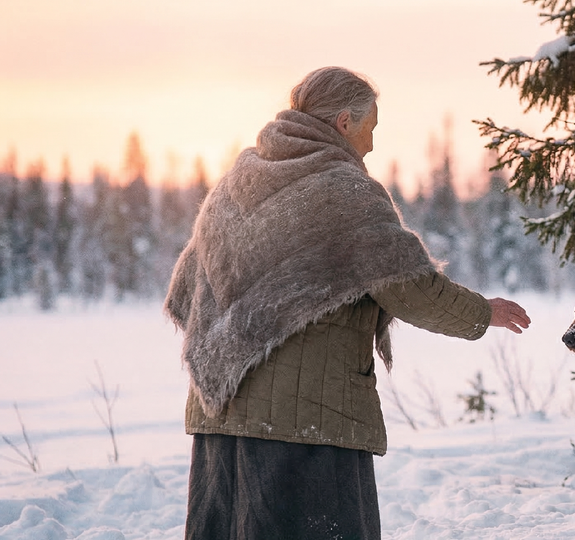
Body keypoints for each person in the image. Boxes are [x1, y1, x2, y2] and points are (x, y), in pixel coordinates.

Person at [164, 66, 531, 540]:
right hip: (307, 424)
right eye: (370, 127)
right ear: (343, 122)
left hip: (220, 415)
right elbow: (410, 286)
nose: (372, 144)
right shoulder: (345, 191)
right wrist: (483, 313)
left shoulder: (236, 183)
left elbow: (185, 292)